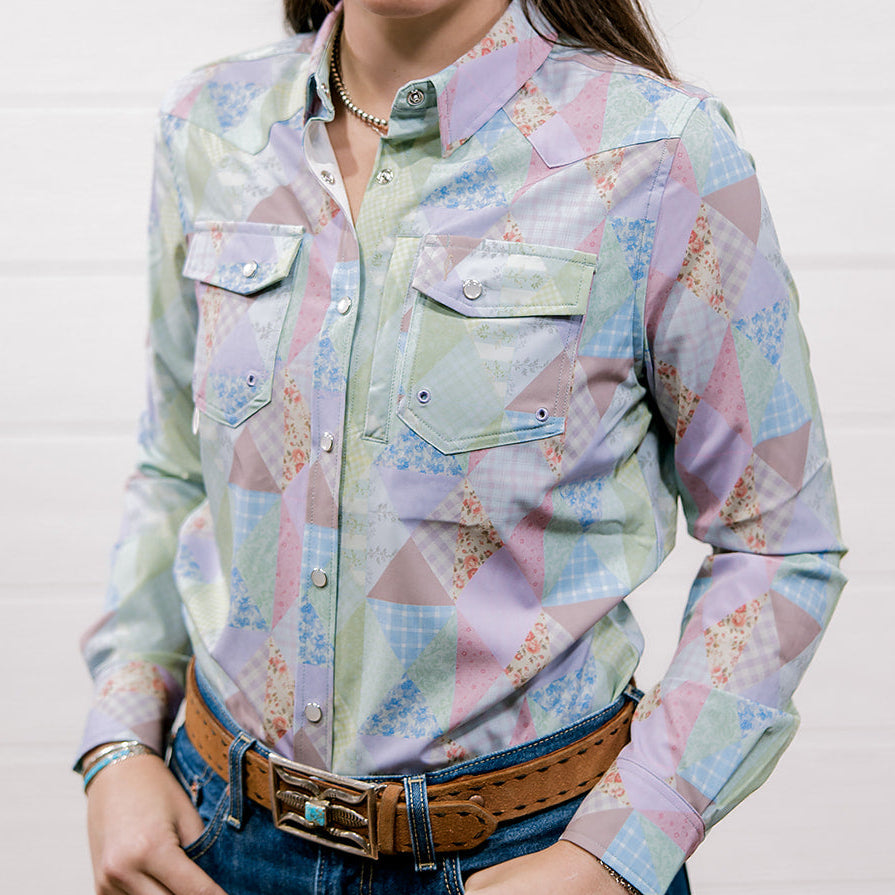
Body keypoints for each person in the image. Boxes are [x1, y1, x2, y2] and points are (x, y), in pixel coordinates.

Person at [76, 1, 846, 893]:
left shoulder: (660, 150)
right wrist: (121, 739)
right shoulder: (208, 124)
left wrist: (614, 852)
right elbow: (175, 466)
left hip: (529, 856)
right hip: (218, 839)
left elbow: (779, 542)